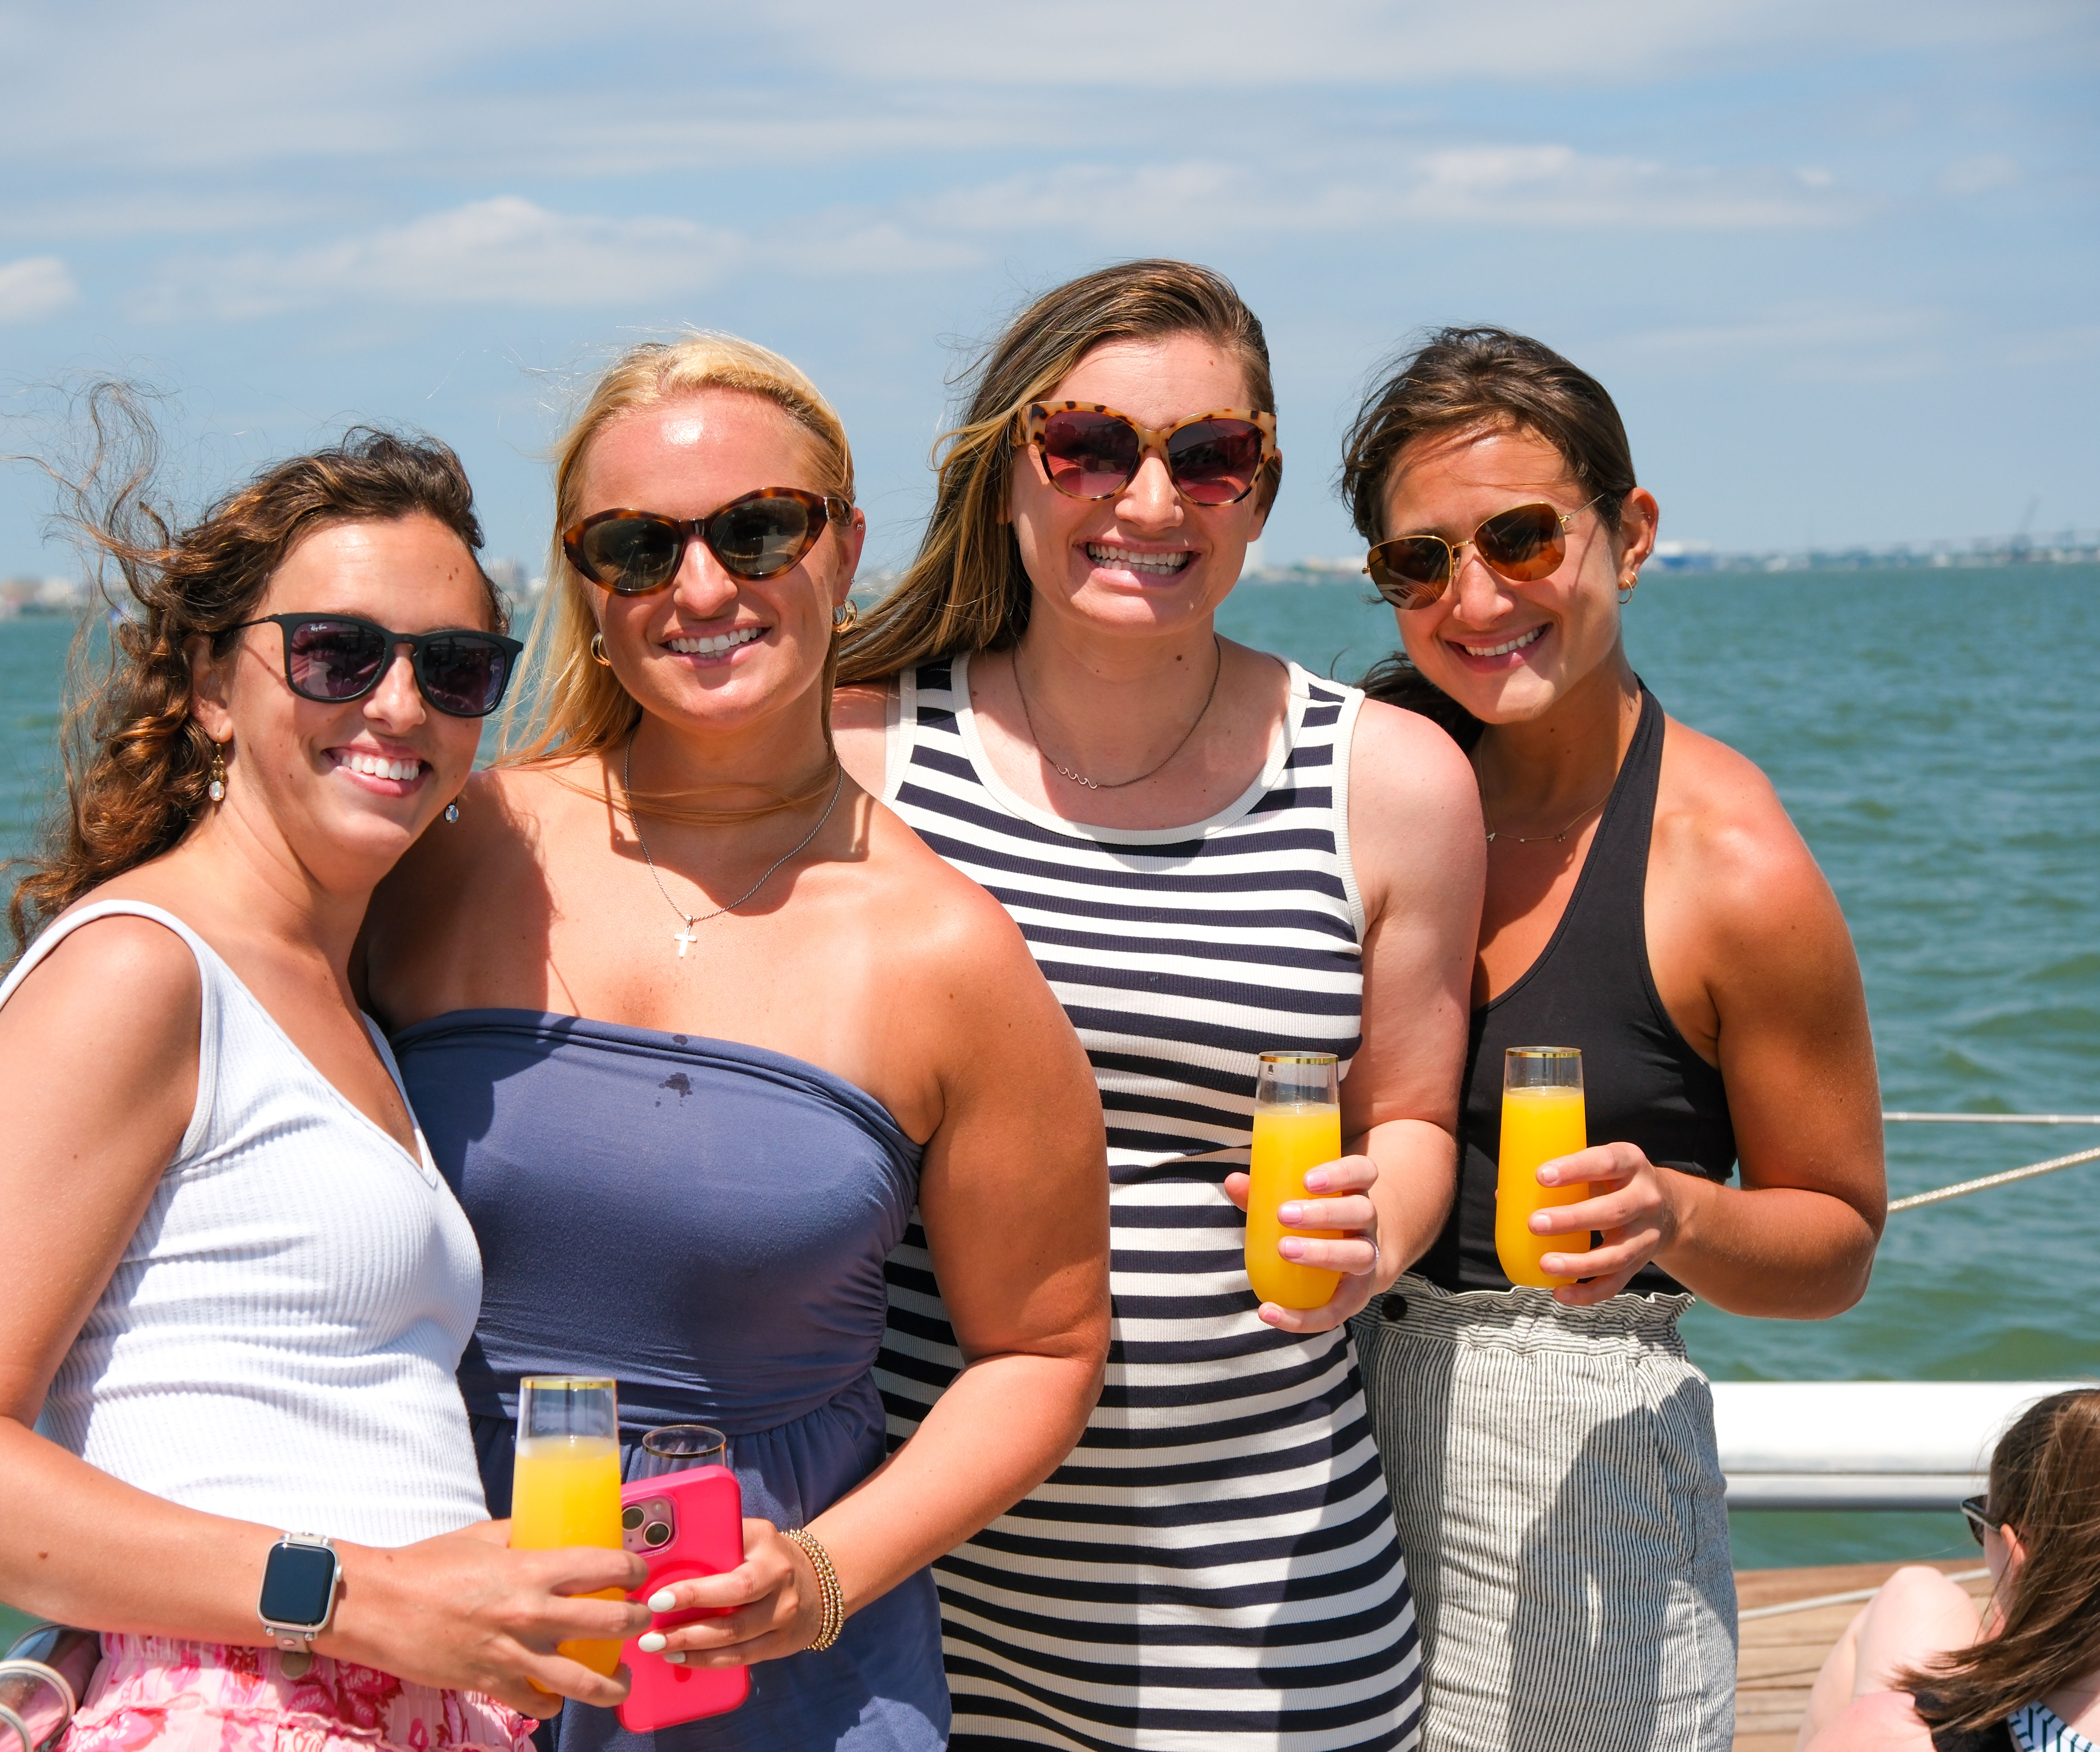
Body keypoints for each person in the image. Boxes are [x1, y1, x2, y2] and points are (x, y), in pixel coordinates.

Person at [0, 406, 651, 1752]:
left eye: (456, 668)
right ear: (216, 688)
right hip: (248, 1707)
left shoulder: (341, 998)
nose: (399, 703)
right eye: (338, 653)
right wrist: (370, 1593)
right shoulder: (141, 974)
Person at [360, 334, 1111, 1752]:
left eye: (759, 530)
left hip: (767, 1682)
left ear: (844, 548)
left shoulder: (948, 949)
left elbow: (1046, 1348)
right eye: (637, 547)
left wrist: (823, 1576)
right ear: (585, 580)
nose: (701, 588)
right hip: (412, 1626)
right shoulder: (455, 848)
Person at [833, 258, 1485, 1750]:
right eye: (1090, 447)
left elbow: (1409, 1124)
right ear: (1012, 471)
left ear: (1254, 495)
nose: (1148, 497)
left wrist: (1375, 1226)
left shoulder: (1387, 780)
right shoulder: (865, 758)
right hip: (909, 1590)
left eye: (1207, 456)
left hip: (1267, 1607)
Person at [1334, 326, 1890, 1752]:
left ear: (1628, 534)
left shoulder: (1729, 862)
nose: (1473, 598)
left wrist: (1674, 1212)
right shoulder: (1355, 774)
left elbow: (1835, 1239)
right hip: (1309, 1472)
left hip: (1577, 1504)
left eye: (1521, 538)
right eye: (1419, 562)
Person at [1795, 1387, 2100, 1752]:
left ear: (2020, 1555)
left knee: (1915, 1592)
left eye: (1981, 1521)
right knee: (1918, 1589)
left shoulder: (1897, 1735)